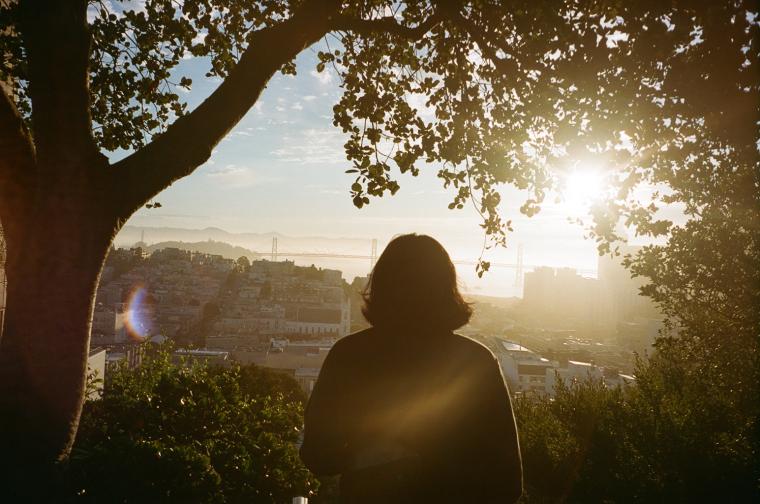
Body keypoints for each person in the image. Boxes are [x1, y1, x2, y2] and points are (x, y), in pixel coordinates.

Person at [300, 234, 523, 503]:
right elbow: (508, 482)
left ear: (381, 286)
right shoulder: (476, 362)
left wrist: (370, 455)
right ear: (446, 289)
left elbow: (318, 456)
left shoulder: (349, 355)